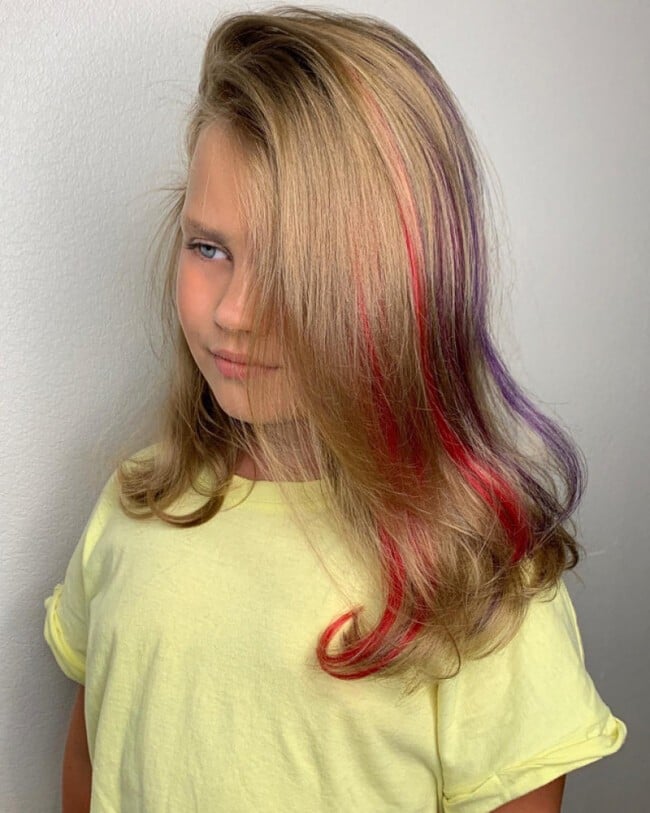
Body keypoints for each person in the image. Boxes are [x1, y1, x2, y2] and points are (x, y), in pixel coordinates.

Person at [43, 6, 626, 812]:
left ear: (402, 283)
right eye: (209, 247)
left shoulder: (471, 573)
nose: (235, 313)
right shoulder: (135, 506)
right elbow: (90, 755)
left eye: (295, 269)